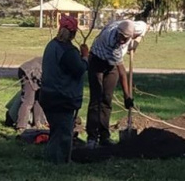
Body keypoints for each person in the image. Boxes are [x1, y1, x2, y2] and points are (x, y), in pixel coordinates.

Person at [86, 19, 148, 149]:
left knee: (107, 99)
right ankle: (92, 137)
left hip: (112, 65)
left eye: (125, 38)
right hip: (97, 60)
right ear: (117, 32)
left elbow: (145, 26)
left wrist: (136, 42)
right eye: (120, 36)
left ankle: (104, 137)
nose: (121, 40)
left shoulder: (135, 27)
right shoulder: (110, 39)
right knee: (96, 99)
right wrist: (127, 96)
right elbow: (121, 72)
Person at [39, 15, 89, 164]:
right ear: (73, 34)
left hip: (47, 94)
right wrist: (85, 57)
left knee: (56, 131)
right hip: (62, 97)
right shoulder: (69, 51)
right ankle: (59, 162)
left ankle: (52, 158)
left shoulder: (51, 45)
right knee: (63, 133)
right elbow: (79, 69)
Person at [11, 57, 48, 132]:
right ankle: (21, 126)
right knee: (28, 100)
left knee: (39, 100)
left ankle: (38, 123)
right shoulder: (59, 64)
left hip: (38, 73)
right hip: (30, 72)